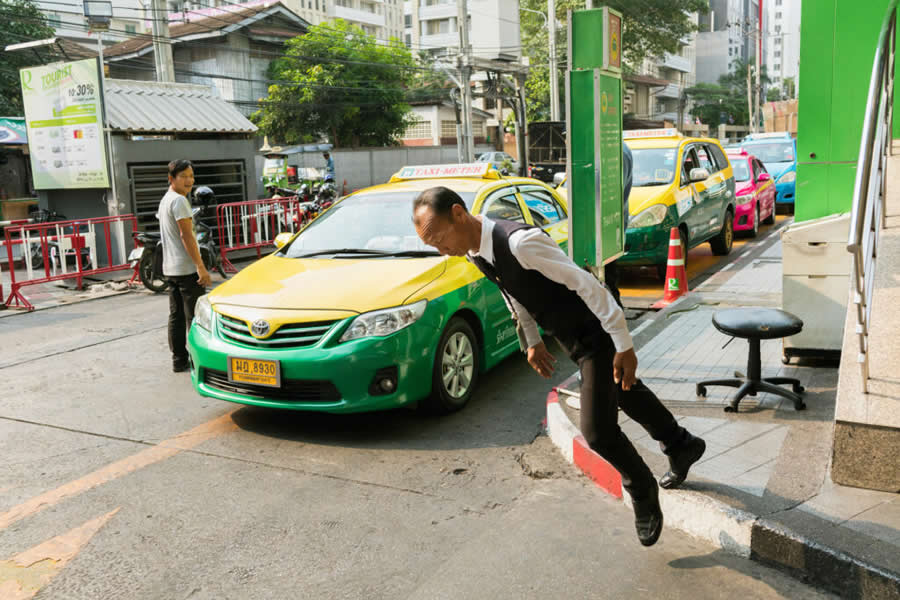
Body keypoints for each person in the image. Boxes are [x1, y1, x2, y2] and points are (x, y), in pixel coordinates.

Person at [412, 187, 707, 547]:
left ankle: (642, 491)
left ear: (458, 214)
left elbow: (586, 283)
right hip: (572, 337)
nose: (443, 250)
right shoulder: (477, 251)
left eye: (441, 239)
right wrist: (531, 339)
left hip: (596, 332)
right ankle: (681, 445)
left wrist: (623, 344)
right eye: (435, 247)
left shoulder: (521, 242)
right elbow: (513, 292)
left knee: (597, 431)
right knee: (624, 392)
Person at [157, 159, 211, 373]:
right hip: (186, 269)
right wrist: (201, 266)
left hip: (171, 269)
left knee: (176, 316)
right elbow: (186, 235)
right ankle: (200, 362)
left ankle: (179, 359)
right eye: (184, 176)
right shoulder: (179, 201)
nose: (190, 180)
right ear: (171, 179)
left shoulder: (166, 199)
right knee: (196, 318)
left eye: (191, 175)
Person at [603, 141, 632, 307]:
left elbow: (611, 195)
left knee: (608, 285)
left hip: (607, 230)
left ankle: (616, 329)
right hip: (607, 229)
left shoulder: (616, 151)